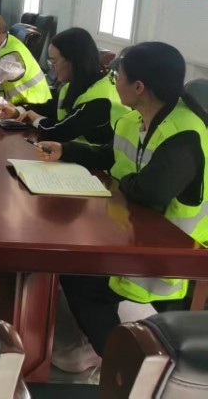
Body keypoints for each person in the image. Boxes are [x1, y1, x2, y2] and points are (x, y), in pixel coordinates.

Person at [35, 42, 208, 364]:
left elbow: (150, 192)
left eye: (119, 77)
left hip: (178, 253)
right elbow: (112, 156)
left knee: (78, 276)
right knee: (77, 259)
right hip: (135, 231)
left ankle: (122, 362)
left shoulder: (184, 134)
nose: (114, 83)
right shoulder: (134, 119)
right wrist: (67, 150)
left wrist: (123, 182)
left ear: (139, 87)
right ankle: (97, 344)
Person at [0, 28, 130, 144]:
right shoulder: (75, 83)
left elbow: (62, 131)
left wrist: (36, 119)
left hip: (95, 163)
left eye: (54, 62)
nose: (52, 68)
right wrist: (18, 111)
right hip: (72, 153)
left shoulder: (100, 97)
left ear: (74, 61)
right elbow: (50, 107)